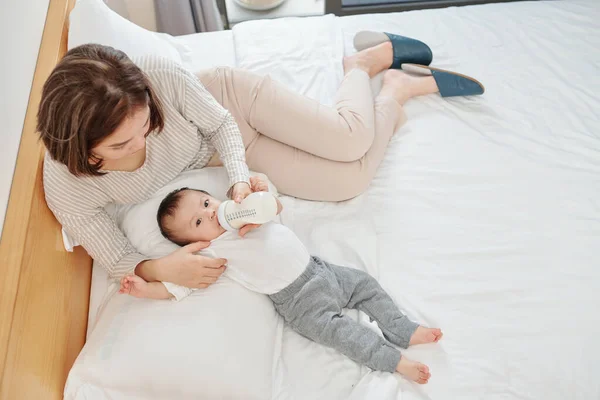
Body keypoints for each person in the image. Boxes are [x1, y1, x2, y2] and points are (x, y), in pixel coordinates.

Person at [37, 35, 474, 289]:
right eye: (120, 145)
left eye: (147, 123)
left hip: (229, 110)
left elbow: (222, 125)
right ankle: (394, 91)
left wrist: (240, 181)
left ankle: (360, 64)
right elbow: (113, 254)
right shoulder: (67, 185)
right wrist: (159, 269)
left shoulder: (159, 76)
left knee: (351, 138)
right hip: (205, 159)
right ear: (82, 149)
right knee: (350, 182)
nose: (141, 143)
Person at [118, 185, 444, 384]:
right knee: (345, 334)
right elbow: (181, 285)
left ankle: (402, 328)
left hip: (319, 270)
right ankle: (394, 361)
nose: (211, 213)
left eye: (206, 203)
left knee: (365, 284)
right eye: (199, 222)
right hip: (300, 303)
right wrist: (146, 289)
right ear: (193, 241)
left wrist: (258, 202)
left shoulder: (243, 212)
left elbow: (271, 203)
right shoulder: (212, 252)